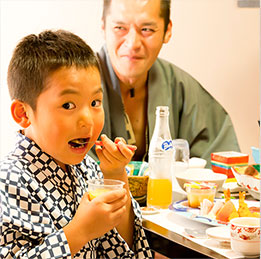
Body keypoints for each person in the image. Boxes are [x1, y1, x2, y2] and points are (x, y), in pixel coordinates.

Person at [0, 30, 152, 258]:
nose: (88, 121)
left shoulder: (90, 170)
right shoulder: (8, 179)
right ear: (23, 113)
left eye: (95, 102)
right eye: (68, 105)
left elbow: (124, 251)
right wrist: (80, 231)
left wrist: (115, 174)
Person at [88, 0, 240, 167]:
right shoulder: (76, 85)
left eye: (146, 29)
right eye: (120, 28)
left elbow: (224, 165)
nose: (132, 43)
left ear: (167, 30)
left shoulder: (181, 88)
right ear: (103, 27)